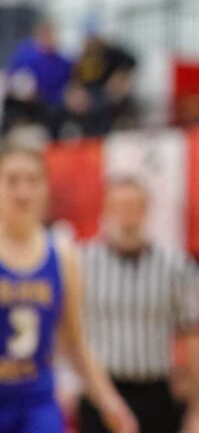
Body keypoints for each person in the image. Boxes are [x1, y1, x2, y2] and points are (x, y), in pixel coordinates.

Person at [0, 146, 136, 433]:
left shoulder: (62, 255)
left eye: (32, 180)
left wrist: (110, 402)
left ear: (46, 188)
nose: (23, 192)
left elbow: (75, 343)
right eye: (12, 180)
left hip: (37, 403)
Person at [78, 177, 199, 433]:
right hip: (100, 391)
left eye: (134, 207)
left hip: (154, 392)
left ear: (146, 210)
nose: (127, 215)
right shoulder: (81, 263)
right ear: (106, 211)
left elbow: (194, 337)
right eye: (119, 207)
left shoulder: (175, 266)